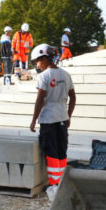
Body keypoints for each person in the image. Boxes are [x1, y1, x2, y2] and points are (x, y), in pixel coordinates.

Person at [28, 44, 75, 201]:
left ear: (44, 58)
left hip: (48, 120)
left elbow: (40, 99)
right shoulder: (66, 74)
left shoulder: (44, 76)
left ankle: (54, 185)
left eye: (37, 61)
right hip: (62, 119)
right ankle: (62, 181)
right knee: (62, 151)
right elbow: (73, 97)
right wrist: (68, 116)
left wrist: (34, 120)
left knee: (51, 153)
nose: (37, 65)